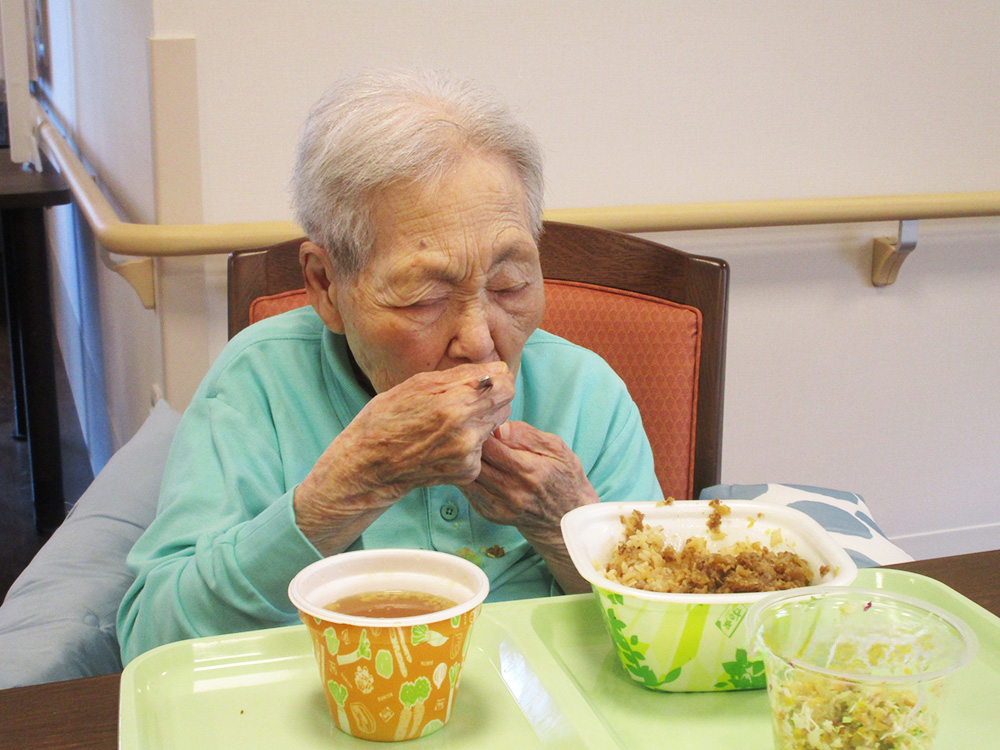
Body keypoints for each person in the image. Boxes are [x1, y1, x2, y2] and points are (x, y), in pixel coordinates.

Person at [117, 69, 663, 664]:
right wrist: (347, 488)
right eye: (423, 298)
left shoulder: (585, 391)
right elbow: (152, 642)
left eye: (509, 284)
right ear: (326, 285)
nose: (479, 343)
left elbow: (665, 640)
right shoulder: (259, 383)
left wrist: (571, 530)